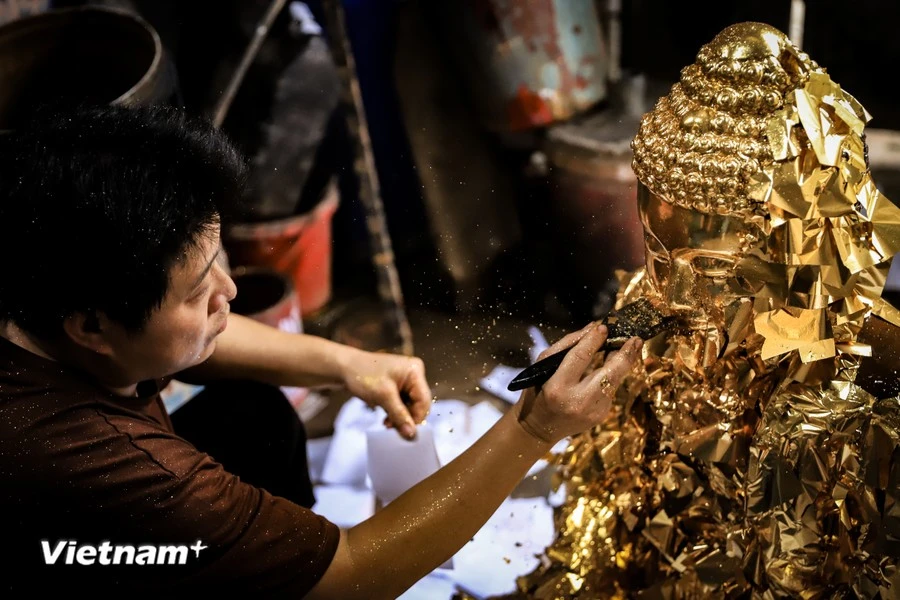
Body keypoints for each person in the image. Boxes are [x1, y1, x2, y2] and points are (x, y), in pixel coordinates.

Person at [0, 104, 643, 598]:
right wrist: (533, 427)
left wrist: (346, 364)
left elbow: (195, 339)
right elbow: (352, 575)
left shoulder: (33, 285)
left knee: (251, 416)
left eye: (218, 263)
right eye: (198, 293)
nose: (229, 292)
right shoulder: (113, 465)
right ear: (92, 326)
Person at [514, 22, 900, 599]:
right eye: (658, 252)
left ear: (800, 254)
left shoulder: (867, 378)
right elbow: (608, 511)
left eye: (714, 272)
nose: (670, 294)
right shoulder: (643, 314)